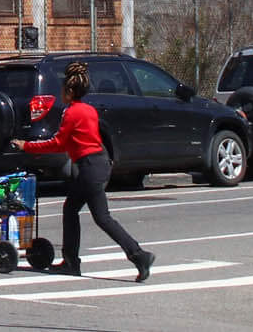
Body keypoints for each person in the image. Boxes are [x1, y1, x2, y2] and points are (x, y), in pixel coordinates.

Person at [21, 61, 154, 280]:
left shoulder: (71, 113)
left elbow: (58, 144)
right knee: (76, 210)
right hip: (99, 163)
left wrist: (27, 146)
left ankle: (136, 255)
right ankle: (75, 261)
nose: (61, 93)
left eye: (63, 89)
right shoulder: (89, 110)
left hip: (90, 167)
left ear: (70, 91)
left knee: (99, 217)